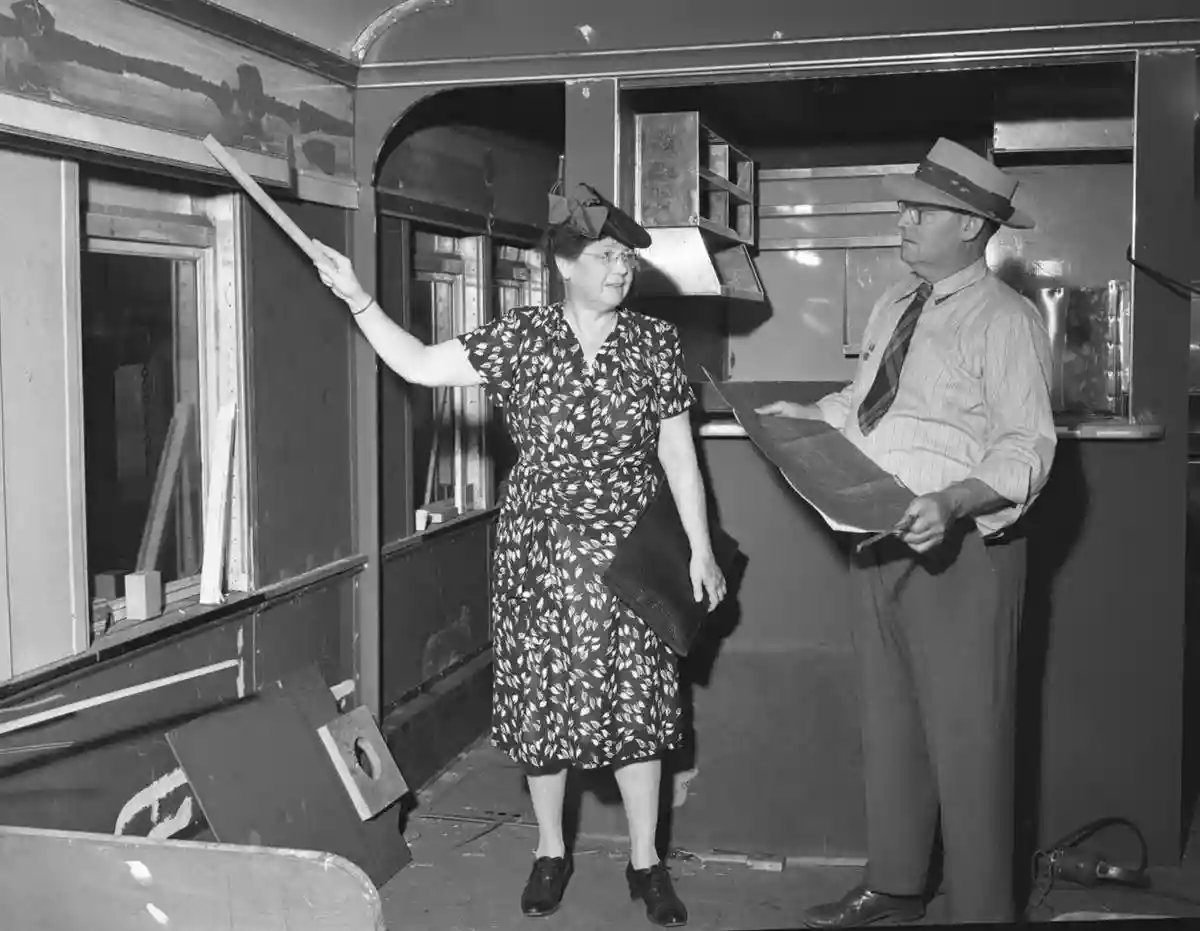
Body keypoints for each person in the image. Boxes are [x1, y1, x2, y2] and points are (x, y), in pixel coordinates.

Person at [309, 182, 726, 928]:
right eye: (604, 255)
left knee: (641, 707)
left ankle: (646, 860)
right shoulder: (522, 336)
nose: (620, 268)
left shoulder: (655, 343)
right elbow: (417, 366)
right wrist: (358, 298)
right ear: (565, 264)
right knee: (543, 705)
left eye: (626, 256)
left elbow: (680, 455)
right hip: (539, 550)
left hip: (634, 554)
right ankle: (549, 849)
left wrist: (700, 548)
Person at [757, 138, 1056, 926]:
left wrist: (955, 502)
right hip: (879, 536)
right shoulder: (896, 303)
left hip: (963, 554)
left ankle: (984, 909)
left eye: (922, 208)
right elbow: (865, 402)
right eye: (905, 204)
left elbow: (1028, 445)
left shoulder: (1006, 318)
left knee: (970, 738)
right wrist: (809, 413)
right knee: (890, 725)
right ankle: (895, 886)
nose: (905, 217)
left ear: (971, 227)